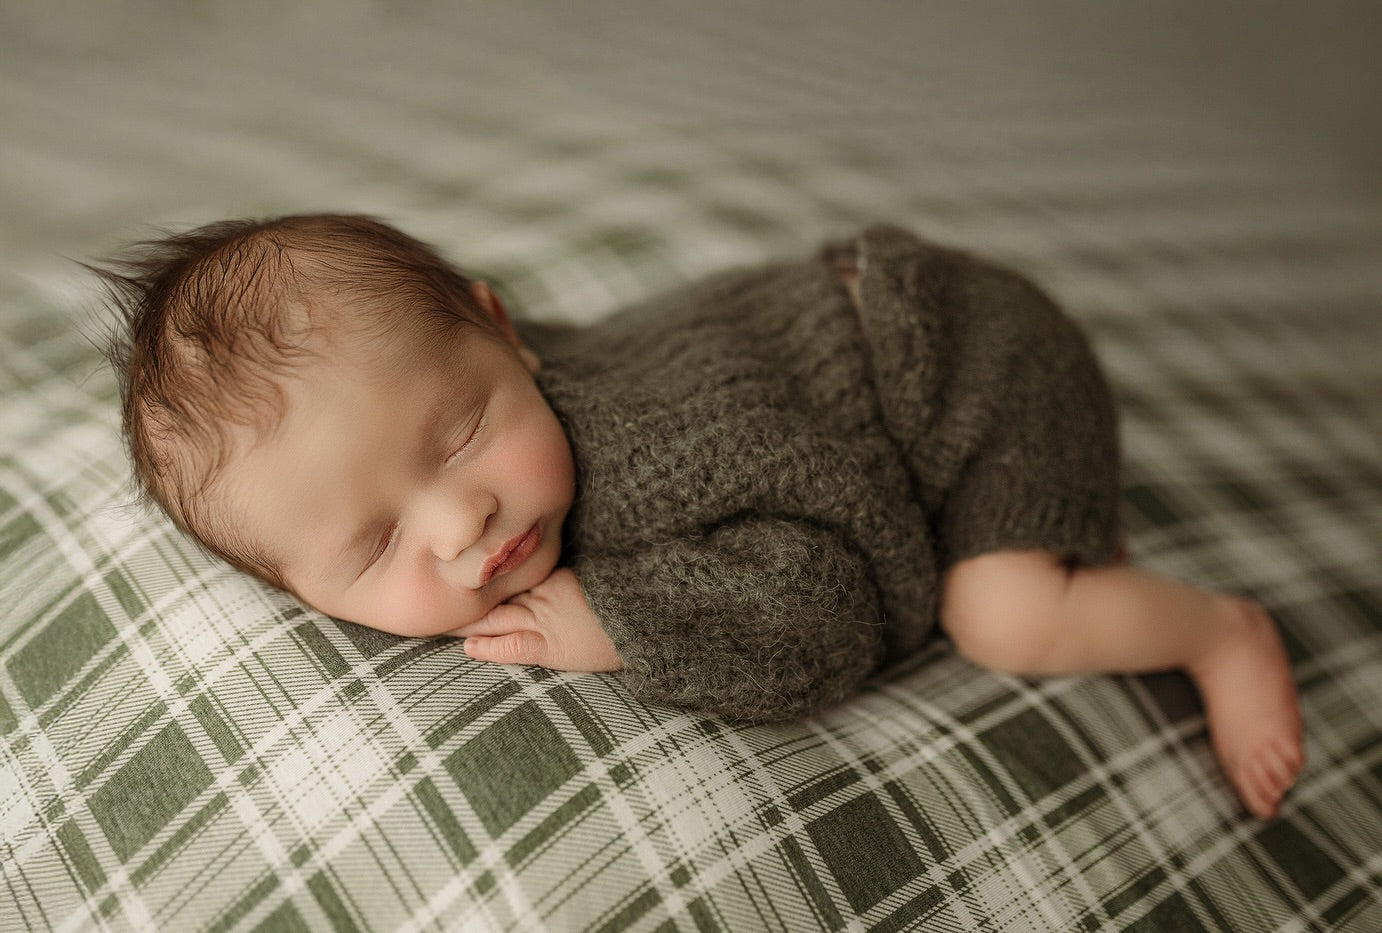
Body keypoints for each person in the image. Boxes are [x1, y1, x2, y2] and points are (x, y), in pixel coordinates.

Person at [97, 213, 1303, 819]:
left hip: (960, 360)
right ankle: (1059, 526)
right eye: (373, 546)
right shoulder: (487, 418)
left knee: (1002, 614)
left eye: (460, 432)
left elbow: (838, 602)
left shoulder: (646, 463)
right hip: (861, 354)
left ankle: (1214, 631)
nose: (463, 520)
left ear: (503, 329)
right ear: (300, 594)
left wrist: (624, 615)